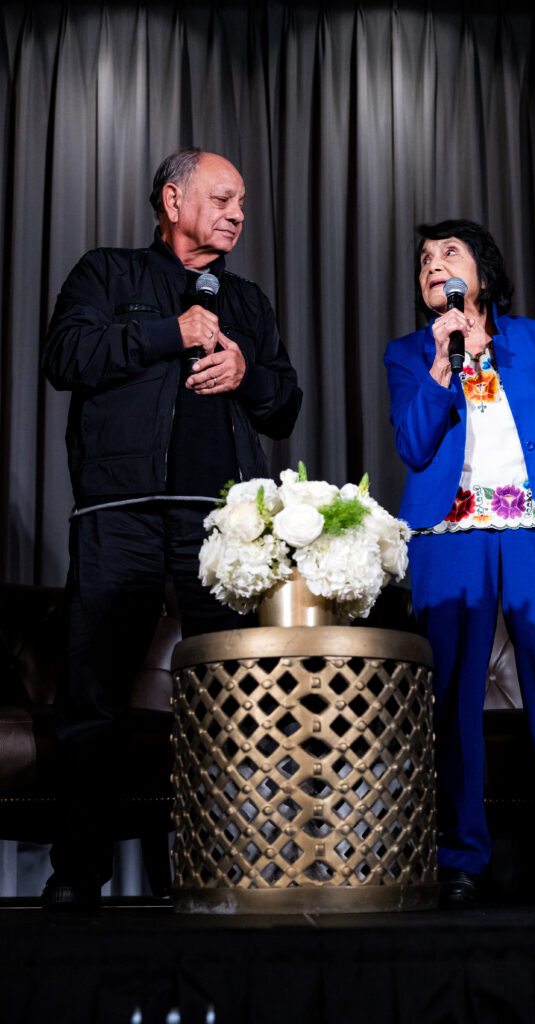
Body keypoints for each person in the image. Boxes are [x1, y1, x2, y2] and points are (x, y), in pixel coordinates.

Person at [40, 148, 302, 908]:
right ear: (172, 199)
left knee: (234, 698)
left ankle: (230, 867)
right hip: (118, 515)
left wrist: (245, 374)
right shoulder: (108, 272)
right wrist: (169, 333)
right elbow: (66, 356)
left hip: (222, 525)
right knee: (92, 700)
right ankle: (76, 876)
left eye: (243, 203)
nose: (237, 213)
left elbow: (283, 406)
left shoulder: (246, 300)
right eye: (222, 198)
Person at [383, 219, 535, 905]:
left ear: (480, 273)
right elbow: (414, 446)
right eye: (424, 259)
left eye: (447, 255)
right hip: (448, 536)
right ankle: (460, 857)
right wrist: (439, 364)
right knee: (449, 700)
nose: (432, 266)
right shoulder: (406, 352)